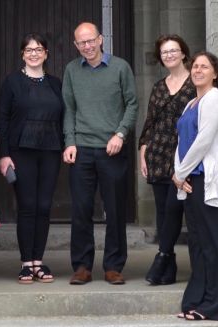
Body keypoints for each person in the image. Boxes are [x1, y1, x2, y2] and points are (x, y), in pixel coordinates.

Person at [63, 22, 138, 285]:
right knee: (81, 210)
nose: (87, 46)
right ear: (76, 45)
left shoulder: (120, 67)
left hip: (112, 149)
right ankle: (82, 266)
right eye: (81, 42)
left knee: (115, 209)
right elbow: (69, 108)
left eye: (90, 40)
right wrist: (70, 142)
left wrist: (121, 134)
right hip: (82, 149)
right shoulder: (72, 70)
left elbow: (132, 103)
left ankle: (113, 266)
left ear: (101, 39)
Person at [0, 33, 64, 284]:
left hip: (50, 150)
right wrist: (4, 155)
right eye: (29, 50)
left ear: (46, 54)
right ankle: (26, 263)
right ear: (22, 54)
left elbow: (63, 117)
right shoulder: (12, 81)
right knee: (27, 206)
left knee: (44, 206)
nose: (34, 53)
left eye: (38, 49)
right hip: (20, 151)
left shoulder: (56, 83)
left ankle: (39, 260)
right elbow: (2, 120)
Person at [172, 51, 218, 321]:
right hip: (190, 182)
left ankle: (214, 306)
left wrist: (179, 174)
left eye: (204, 67)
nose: (197, 70)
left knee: (213, 246)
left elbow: (204, 141)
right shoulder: (191, 104)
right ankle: (195, 300)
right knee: (197, 244)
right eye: (195, 66)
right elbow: (181, 142)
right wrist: (179, 175)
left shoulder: (215, 98)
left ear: (215, 73)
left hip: (207, 182)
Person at [139, 35, 196, 285]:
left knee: (175, 208)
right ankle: (169, 268)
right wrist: (143, 150)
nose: (169, 55)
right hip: (158, 154)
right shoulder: (159, 86)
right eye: (164, 52)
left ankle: (162, 256)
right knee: (163, 212)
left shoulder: (196, 83)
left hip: (183, 155)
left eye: (174, 50)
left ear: (184, 53)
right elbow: (150, 121)